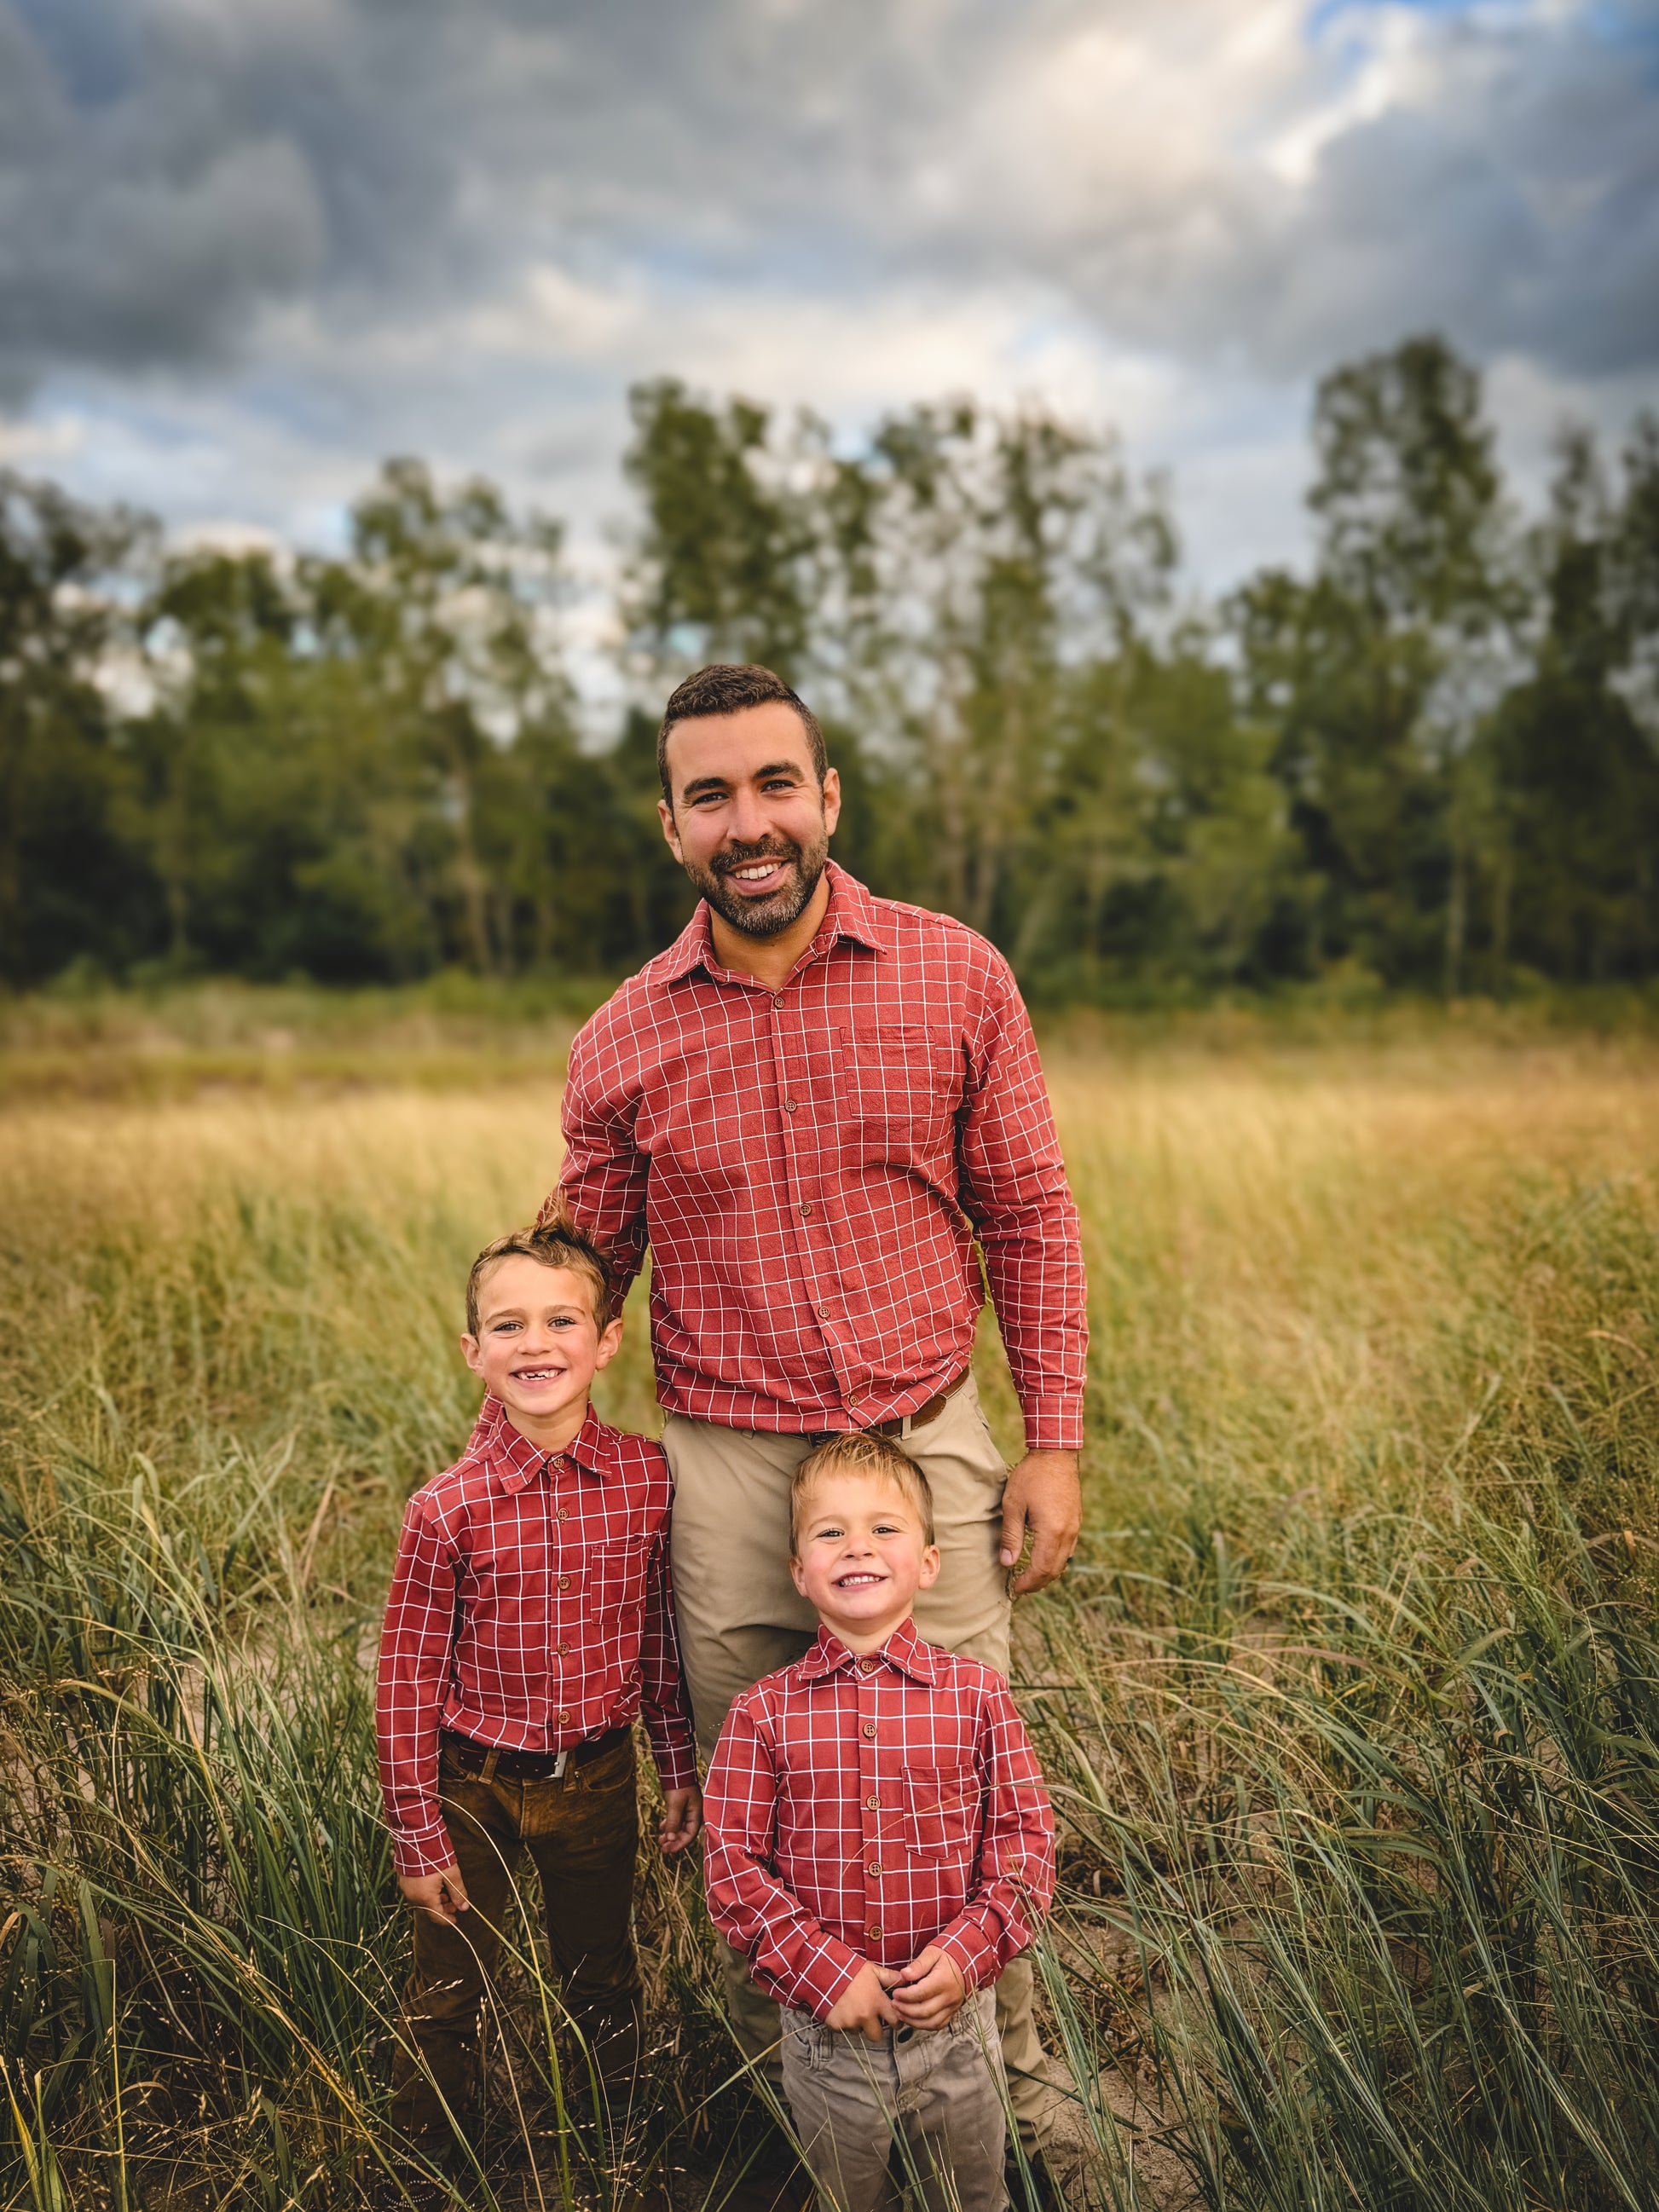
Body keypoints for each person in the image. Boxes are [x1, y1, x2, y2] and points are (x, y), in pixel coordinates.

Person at [546, 660, 1085, 2174]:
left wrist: (1051, 1439)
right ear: (670, 827)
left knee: (958, 1771)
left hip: (930, 1441)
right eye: (711, 795)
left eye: (775, 784)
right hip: (728, 1466)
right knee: (751, 1796)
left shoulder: (954, 972)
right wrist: (514, 1436)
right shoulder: (624, 1036)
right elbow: (588, 1271)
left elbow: (1030, 1211)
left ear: (828, 796)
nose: (750, 822)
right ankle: (793, 2114)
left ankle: (1008, 2097)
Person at [376, 1214, 702, 2165]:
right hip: (472, 1781)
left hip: (598, 1779)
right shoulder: (446, 1509)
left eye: (562, 1322)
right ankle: (427, 2162)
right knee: (448, 1988)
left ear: (606, 1342)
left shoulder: (647, 1478)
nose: (536, 1344)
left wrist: (673, 1761)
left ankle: (609, 2150)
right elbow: (404, 1683)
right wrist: (415, 1828)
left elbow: (656, 1638)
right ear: (473, 1352)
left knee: (601, 1976)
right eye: (508, 1327)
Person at [703, 1432, 1055, 2212]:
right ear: (799, 1572)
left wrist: (967, 1954)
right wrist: (825, 1974)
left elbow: (1026, 1847)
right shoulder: (761, 1713)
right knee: (846, 2197)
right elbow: (732, 1866)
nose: (857, 1545)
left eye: (884, 1528)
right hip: (829, 2040)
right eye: (830, 1531)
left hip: (958, 2031)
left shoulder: (977, 1697)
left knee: (968, 2197)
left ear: (930, 1562)